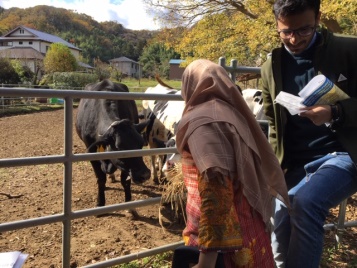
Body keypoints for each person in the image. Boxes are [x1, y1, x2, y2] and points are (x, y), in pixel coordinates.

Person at [260, 0, 357, 267]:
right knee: (279, 232)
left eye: (304, 30)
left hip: (344, 154)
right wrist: (274, 167)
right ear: (277, 26)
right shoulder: (271, 67)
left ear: (318, 18)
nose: (294, 39)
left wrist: (335, 113)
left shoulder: (349, 50)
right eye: (285, 32)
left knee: (305, 203)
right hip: (295, 163)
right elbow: (273, 123)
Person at [173, 59, 289, 268]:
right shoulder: (233, 113)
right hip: (252, 231)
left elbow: (216, 193)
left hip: (224, 249)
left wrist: (205, 262)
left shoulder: (203, 124)